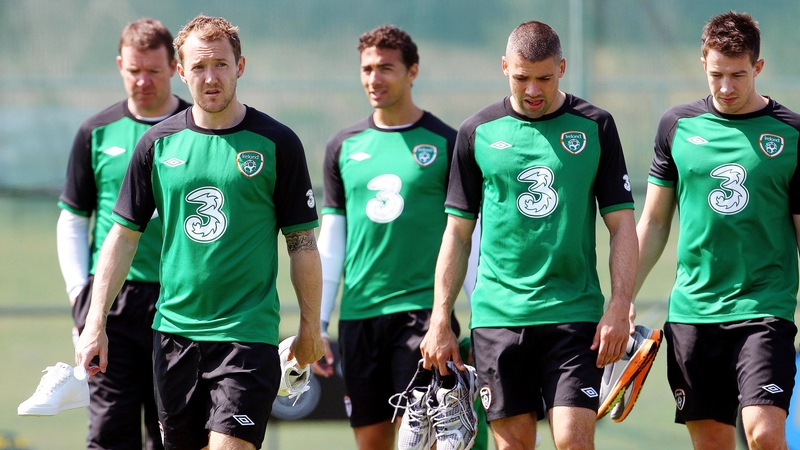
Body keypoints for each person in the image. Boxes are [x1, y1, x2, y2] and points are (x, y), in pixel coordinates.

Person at [74, 15, 325, 450]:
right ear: (181, 71)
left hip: (246, 334)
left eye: (221, 65)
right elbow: (123, 236)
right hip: (173, 333)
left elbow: (301, 242)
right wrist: (95, 321)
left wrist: (310, 327)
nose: (210, 78)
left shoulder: (276, 142)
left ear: (240, 66)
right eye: (198, 67)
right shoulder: (157, 143)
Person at [421, 20, 638, 450]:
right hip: (499, 317)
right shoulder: (476, 132)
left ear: (562, 67)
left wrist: (619, 304)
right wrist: (440, 318)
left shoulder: (597, 126)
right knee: (513, 446)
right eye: (522, 78)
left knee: (573, 442)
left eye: (545, 78)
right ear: (505, 67)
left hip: (573, 314)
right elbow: (457, 234)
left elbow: (622, 225)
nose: (534, 89)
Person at [635, 11, 799, 450]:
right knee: (711, 443)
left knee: (764, 434)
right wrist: (621, 297)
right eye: (716, 75)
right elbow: (652, 222)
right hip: (693, 314)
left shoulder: (792, 134)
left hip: (765, 309)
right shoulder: (676, 126)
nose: (726, 87)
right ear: (703, 63)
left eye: (738, 75)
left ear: (758, 68)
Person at [311, 25, 463, 450]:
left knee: (422, 439)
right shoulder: (342, 146)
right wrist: (319, 324)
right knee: (372, 441)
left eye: (386, 68)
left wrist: (477, 318)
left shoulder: (448, 143)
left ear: (412, 71)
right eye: (367, 69)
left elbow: (468, 236)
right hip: (360, 318)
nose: (374, 79)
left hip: (423, 316)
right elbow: (333, 239)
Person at [56, 18, 188, 450]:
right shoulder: (96, 132)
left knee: (173, 434)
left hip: (181, 301)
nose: (144, 81)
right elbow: (74, 219)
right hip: (115, 301)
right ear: (120, 66)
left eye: (153, 70)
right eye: (134, 71)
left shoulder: (198, 127)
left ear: (174, 67)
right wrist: (82, 296)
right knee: (109, 430)